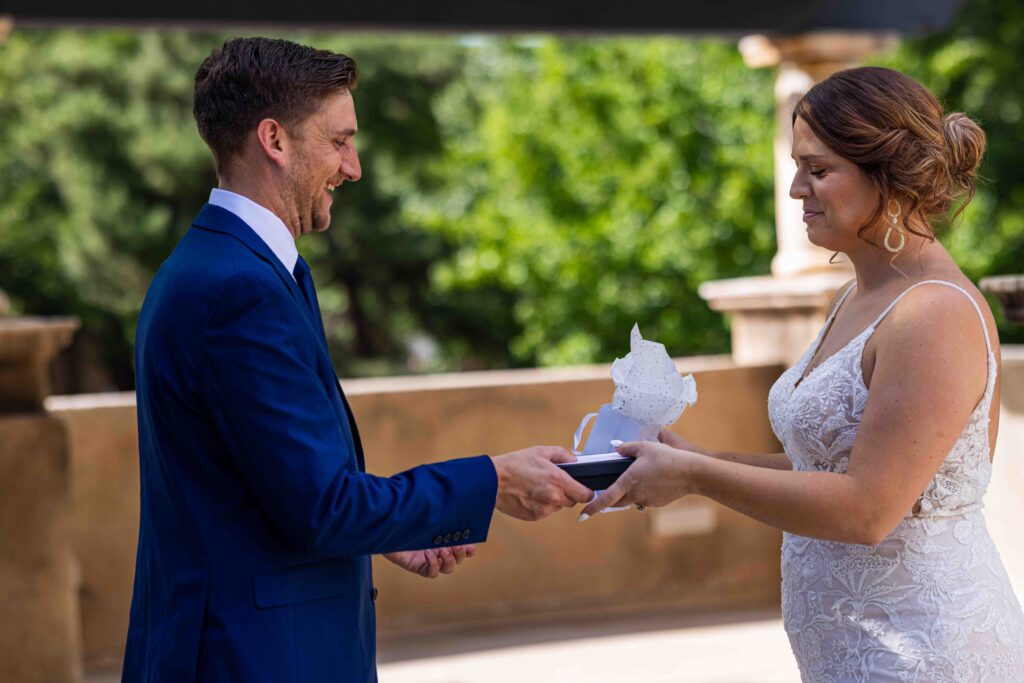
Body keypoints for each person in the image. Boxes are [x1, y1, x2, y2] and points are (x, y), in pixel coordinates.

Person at [123, 37, 592, 683]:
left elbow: (265, 491)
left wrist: (384, 533)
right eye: (339, 141)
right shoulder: (239, 288)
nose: (354, 166)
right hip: (249, 659)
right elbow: (322, 507)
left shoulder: (230, 267)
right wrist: (494, 480)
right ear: (274, 140)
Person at [582, 66, 1024, 680]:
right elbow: (830, 469)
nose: (795, 190)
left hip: (923, 651)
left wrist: (697, 476)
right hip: (856, 649)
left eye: (818, 170)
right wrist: (700, 460)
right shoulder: (857, 297)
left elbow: (868, 508)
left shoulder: (932, 314)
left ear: (890, 176)